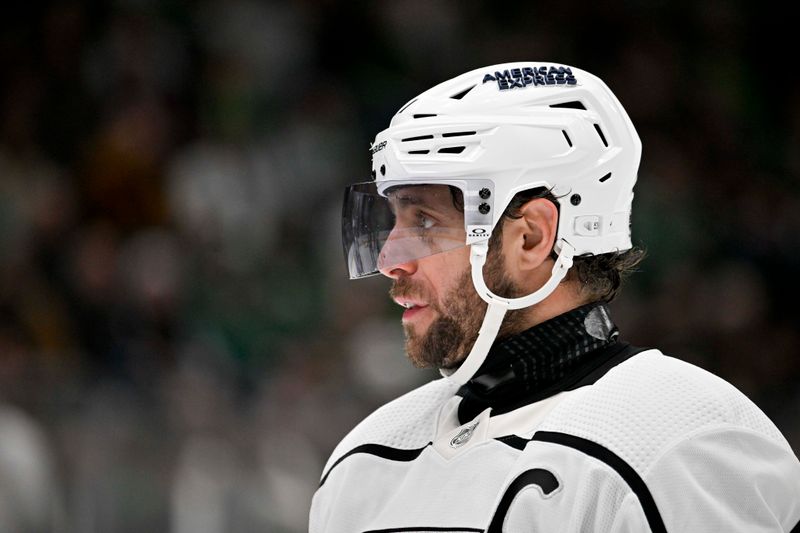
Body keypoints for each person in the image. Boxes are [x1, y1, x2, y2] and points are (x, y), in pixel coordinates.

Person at [309, 63, 800, 532]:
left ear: (532, 238)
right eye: (394, 219)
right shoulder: (365, 458)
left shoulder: (680, 443)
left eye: (425, 221)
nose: (390, 257)